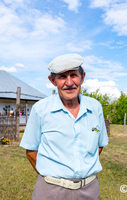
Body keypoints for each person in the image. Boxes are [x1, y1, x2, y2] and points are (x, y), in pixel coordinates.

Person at [20, 53, 109, 200]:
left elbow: (99, 146)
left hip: (89, 190)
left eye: (73, 75)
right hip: (50, 191)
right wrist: (55, 179)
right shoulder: (40, 110)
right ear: (52, 80)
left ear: (82, 77)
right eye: (62, 77)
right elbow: (31, 151)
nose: (69, 83)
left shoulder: (95, 108)